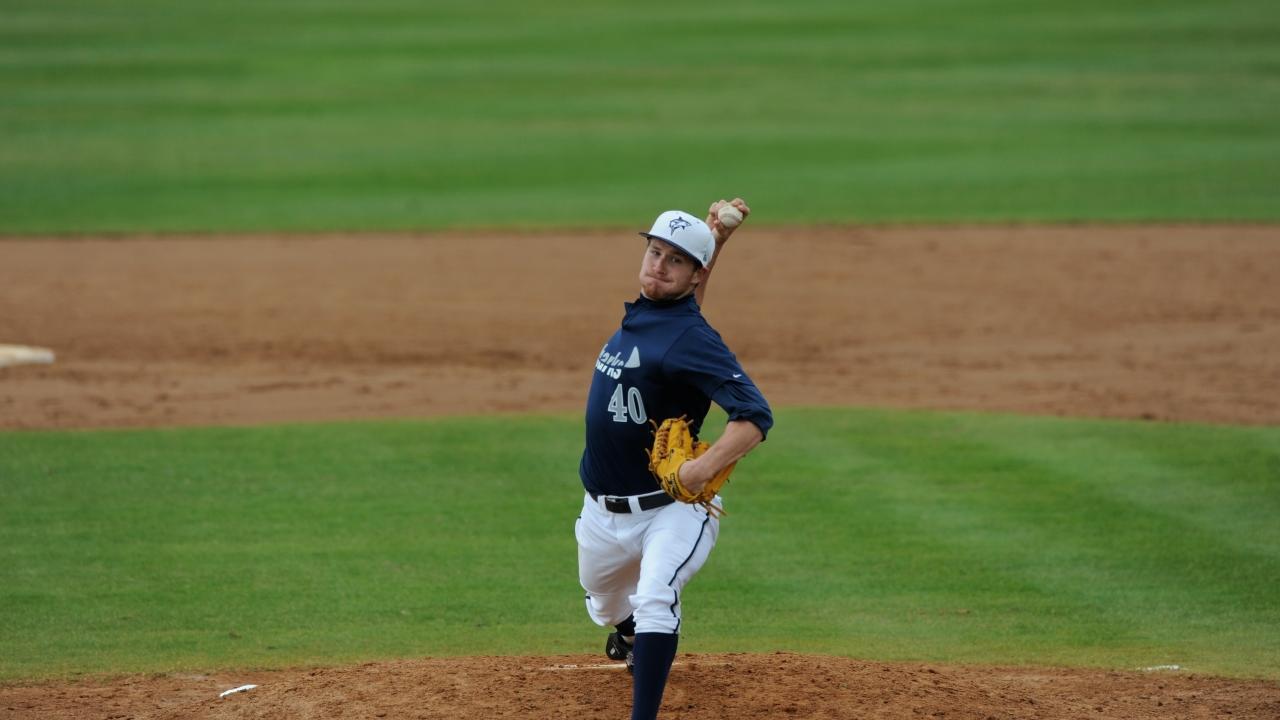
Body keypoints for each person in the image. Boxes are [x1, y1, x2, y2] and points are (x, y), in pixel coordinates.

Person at [574, 198, 773, 720]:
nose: (659, 266)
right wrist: (712, 243)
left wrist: (698, 472)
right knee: (605, 604)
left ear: (693, 273)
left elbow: (755, 416)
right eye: (655, 252)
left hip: (671, 509)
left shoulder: (691, 339)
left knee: (657, 596)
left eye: (676, 259)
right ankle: (629, 634)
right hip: (601, 511)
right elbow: (683, 314)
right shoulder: (653, 314)